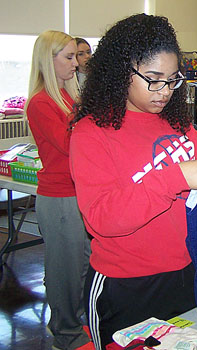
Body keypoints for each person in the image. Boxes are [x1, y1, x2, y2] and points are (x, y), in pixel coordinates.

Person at [69, 14, 197, 350]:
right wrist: (176, 177)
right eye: (153, 79)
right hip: (127, 287)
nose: (164, 91)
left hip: (187, 273)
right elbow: (103, 218)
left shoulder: (178, 124)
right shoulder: (91, 133)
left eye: (172, 80)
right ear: (122, 72)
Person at [25, 30, 92, 350]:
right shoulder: (41, 103)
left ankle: (78, 320)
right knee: (64, 270)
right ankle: (65, 333)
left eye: (76, 56)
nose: (76, 64)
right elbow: (71, 143)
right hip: (59, 197)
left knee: (83, 264)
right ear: (47, 61)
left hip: (78, 193)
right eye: (68, 57)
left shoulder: (66, 97)